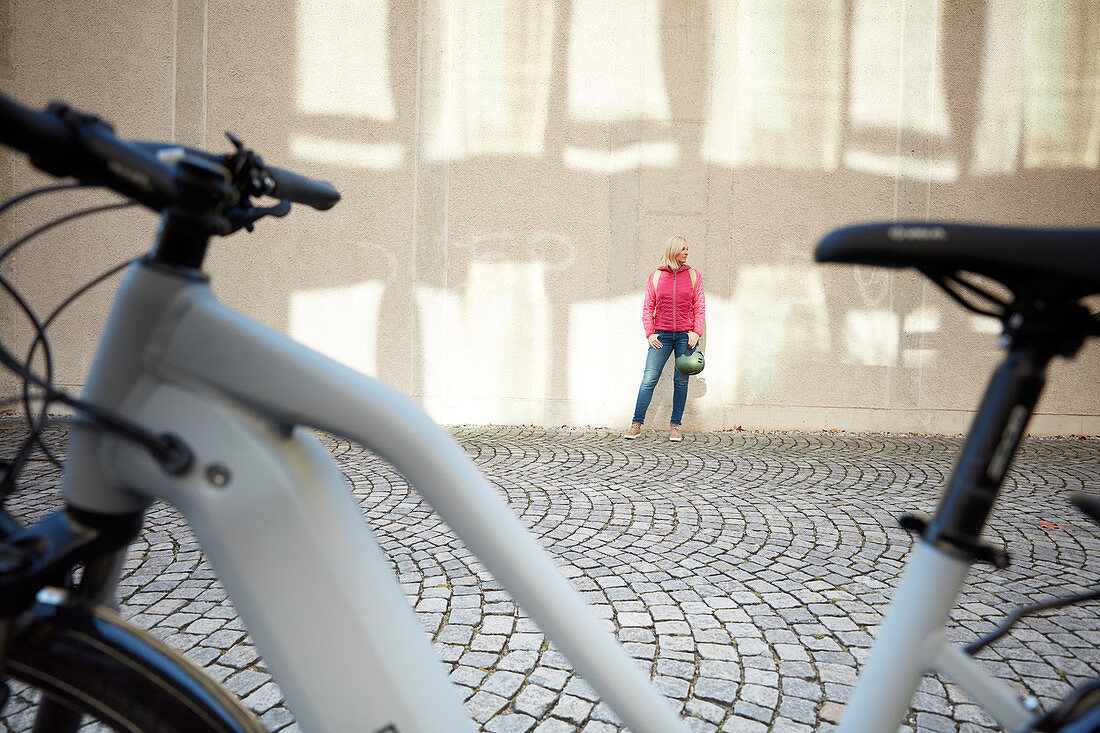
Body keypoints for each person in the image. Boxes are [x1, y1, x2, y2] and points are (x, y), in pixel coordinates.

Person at [624, 235, 705, 442]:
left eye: (688, 248)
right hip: (662, 335)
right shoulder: (656, 277)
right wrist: (650, 333)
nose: (687, 252)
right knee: (649, 379)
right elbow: (648, 308)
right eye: (683, 249)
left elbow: (700, 307)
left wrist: (696, 332)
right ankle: (636, 424)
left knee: (681, 381)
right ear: (673, 250)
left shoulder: (694, 276)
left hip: (685, 337)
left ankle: (675, 426)